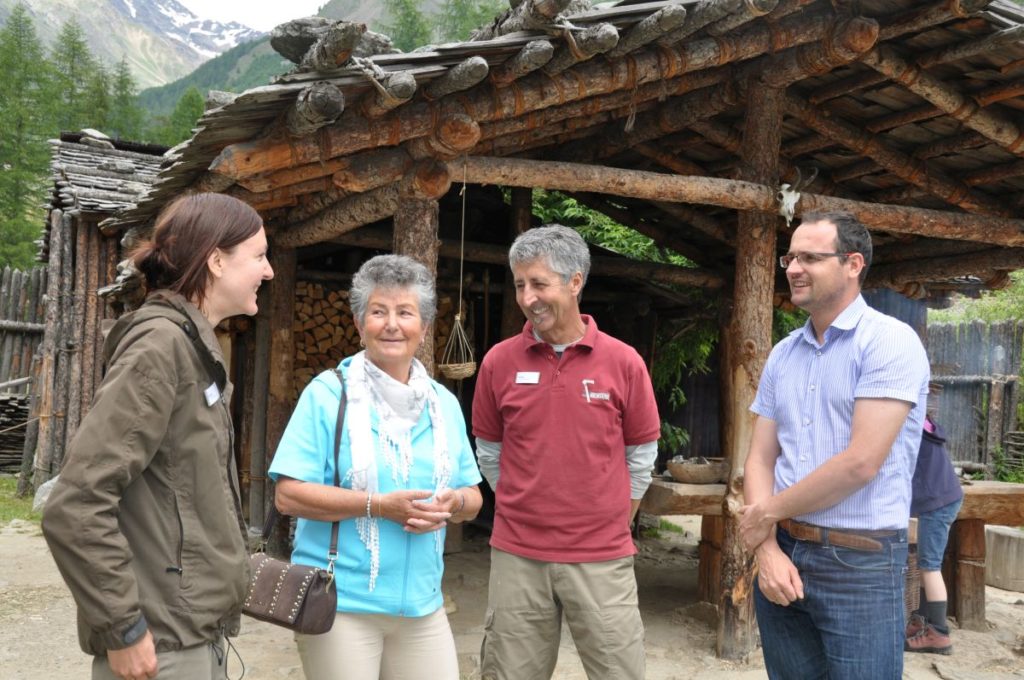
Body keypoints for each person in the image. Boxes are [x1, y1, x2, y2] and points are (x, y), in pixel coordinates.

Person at [42, 193, 275, 680]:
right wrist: (122, 628)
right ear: (215, 260)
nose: (269, 271)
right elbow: (76, 504)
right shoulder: (160, 347)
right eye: (258, 256)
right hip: (164, 648)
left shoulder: (191, 346)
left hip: (193, 634)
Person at [268, 254, 483, 680]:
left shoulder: (443, 404)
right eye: (378, 311)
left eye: (405, 312)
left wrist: (452, 501)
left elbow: (473, 499)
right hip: (341, 604)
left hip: (423, 605)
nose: (392, 324)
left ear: (423, 326)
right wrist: (378, 505)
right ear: (357, 323)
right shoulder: (328, 394)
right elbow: (288, 494)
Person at [738, 211, 931, 679]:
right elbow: (760, 457)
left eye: (809, 257)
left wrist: (763, 514)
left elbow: (860, 463)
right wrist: (767, 547)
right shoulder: (784, 353)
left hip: (859, 562)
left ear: (852, 264)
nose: (792, 267)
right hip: (782, 555)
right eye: (790, 256)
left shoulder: (889, 342)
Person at [472, 224, 661, 680]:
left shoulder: (623, 362)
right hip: (518, 555)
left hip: (601, 556)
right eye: (520, 284)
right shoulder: (499, 361)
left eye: (539, 283)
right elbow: (489, 451)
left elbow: (641, 453)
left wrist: (616, 514)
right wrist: (525, 502)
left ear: (575, 282)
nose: (527, 297)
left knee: (620, 672)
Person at [905, 410, 963, 655]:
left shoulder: (909, 424)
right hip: (944, 498)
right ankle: (922, 621)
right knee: (927, 563)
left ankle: (938, 634)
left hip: (936, 503)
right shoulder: (924, 422)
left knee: (929, 566)